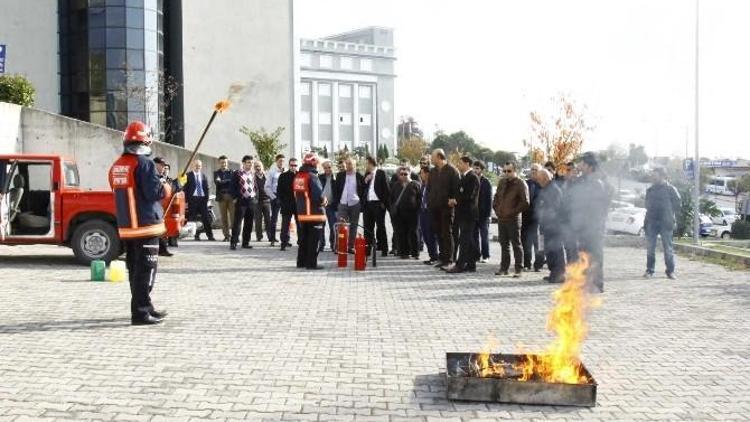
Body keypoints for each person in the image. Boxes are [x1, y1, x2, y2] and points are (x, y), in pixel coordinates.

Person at [108, 121, 170, 325]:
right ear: (146, 140)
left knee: (135, 270)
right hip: (145, 227)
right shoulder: (144, 164)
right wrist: (167, 187)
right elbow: (154, 193)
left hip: (127, 228)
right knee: (146, 270)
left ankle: (146, 306)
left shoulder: (117, 165)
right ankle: (141, 312)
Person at [569, 152, 610, 293]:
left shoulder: (598, 182)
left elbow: (600, 207)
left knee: (595, 256)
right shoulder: (582, 180)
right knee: (583, 255)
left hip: (594, 227)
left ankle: (597, 285)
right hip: (582, 227)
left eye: (582, 163)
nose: (579, 165)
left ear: (589, 166)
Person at [492, 161, 529, 277]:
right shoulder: (502, 182)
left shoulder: (520, 184)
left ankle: (519, 269)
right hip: (501, 218)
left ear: (515, 171)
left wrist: (512, 212)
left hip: (513, 219)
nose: (506, 173)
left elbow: (525, 202)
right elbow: (496, 197)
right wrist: (497, 210)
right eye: (504, 171)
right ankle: (504, 268)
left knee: (516, 244)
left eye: (509, 171)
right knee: (504, 244)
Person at [644, 167, 681, 280]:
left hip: (666, 222)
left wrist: (671, 216)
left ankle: (670, 271)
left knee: (668, 249)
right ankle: (650, 270)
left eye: (655, 175)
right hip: (652, 222)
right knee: (650, 248)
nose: (653, 177)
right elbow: (647, 205)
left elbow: (678, 204)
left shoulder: (671, 189)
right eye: (652, 175)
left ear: (662, 176)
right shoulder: (650, 190)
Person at [446, 156, 480, 274]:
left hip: (469, 214)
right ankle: (472, 263)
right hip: (462, 213)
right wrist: (454, 199)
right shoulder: (463, 177)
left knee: (464, 240)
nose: (458, 165)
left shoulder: (473, 177)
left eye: (460, 163)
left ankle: (460, 265)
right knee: (467, 239)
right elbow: (459, 192)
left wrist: (456, 200)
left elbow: (469, 195)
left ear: (467, 164)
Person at [427, 149, 460, 268]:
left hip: (447, 208)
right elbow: (429, 188)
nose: (431, 159)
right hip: (434, 207)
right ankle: (442, 258)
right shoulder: (433, 171)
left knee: (447, 233)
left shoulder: (452, 170)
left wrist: (453, 199)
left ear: (439, 157)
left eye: (433, 157)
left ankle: (449, 259)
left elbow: (457, 188)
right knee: (438, 232)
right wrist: (429, 201)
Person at [294, 152, 327, 270]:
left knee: (304, 239)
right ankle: (311, 264)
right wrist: (324, 200)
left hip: (303, 214)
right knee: (314, 241)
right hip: (314, 214)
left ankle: (301, 262)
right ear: (314, 163)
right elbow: (318, 196)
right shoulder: (312, 176)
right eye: (317, 163)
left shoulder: (298, 176)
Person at [534, 168, 565, 283]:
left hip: (554, 226)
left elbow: (555, 209)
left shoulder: (554, 190)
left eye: (540, 179)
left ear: (546, 178)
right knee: (548, 250)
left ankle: (559, 274)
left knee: (556, 249)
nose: (538, 182)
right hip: (545, 226)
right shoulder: (545, 189)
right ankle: (553, 272)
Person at [332, 157, 365, 253]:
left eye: (350, 164)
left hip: (355, 203)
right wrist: (337, 202)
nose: (348, 166)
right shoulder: (340, 175)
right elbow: (336, 189)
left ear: (354, 165)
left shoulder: (359, 176)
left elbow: (362, 190)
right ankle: (339, 247)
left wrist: (361, 203)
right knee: (341, 225)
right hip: (342, 203)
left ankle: (350, 247)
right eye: (347, 164)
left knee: (354, 226)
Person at [390, 166, 421, 259]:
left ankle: (415, 253)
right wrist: (392, 209)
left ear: (409, 174)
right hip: (399, 214)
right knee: (401, 233)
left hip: (412, 213)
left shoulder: (415, 184)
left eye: (405, 174)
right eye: (401, 174)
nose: (403, 176)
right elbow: (391, 198)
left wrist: (417, 208)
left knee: (413, 233)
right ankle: (404, 252)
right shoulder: (396, 185)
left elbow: (419, 198)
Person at [363, 156, 390, 257]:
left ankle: (384, 249)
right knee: (367, 228)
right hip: (368, 204)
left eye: (367, 163)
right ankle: (367, 250)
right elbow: (363, 188)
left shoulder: (381, 173)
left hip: (378, 204)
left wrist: (383, 203)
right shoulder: (367, 174)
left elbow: (386, 189)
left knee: (381, 227)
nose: (366, 166)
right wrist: (366, 180)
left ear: (371, 163)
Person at [229, 155, 257, 250]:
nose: (251, 164)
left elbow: (255, 186)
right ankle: (233, 242)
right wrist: (235, 198)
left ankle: (246, 242)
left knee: (249, 223)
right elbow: (232, 187)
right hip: (241, 200)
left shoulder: (253, 174)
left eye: (252, 163)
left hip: (251, 200)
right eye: (249, 162)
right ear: (244, 163)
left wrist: (254, 196)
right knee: (237, 223)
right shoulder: (237, 173)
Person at [184, 159, 215, 241]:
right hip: (192, 200)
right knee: (192, 219)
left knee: (206, 219)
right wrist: (186, 201)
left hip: (202, 200)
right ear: (192, 166)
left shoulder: (204, 176)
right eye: (196, 165)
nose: (198, 167)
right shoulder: (188, 175)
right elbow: (185, 189)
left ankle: (210, 236)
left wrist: (207, 199)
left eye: (199, 166)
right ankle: (195, 235)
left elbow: (207, 188)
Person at [522, 164, 543, 271]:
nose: (534, 171)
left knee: (539, 243)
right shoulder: (525, 183)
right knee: (526, 242)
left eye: (536, 170)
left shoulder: (543, 185)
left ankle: (538, 265)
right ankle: (526, 263)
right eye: (532, 169)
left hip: (539, 219)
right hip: (527, 218)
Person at [473, 160, 493, 264]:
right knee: (474, 235)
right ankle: (476, 255)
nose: (475, 170)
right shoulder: (472, 180)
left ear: (482, 170)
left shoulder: (486, 182)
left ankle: (486, 255)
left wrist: (489, 215)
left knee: (484, 236)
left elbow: (489, 199)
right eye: (474, 168)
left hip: (484, 214)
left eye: (477, 168)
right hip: (474, 213)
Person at [153, 157, 173, 257]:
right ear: (155, 164)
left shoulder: (161, 176)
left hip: (159, 206)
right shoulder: (151, 175)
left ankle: (162, 249)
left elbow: (169, 191)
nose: (163, 168)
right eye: (161, 165)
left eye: (164, 166)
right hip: (153, 206)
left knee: (160, 229)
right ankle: (162, 249)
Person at [418, 167, 439, 265]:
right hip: (422, 212)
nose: (420, 175)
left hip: (430, 212)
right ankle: (431, 256)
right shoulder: (423, 185)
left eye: (422, 173)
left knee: (431, 235)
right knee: (425, 234)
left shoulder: (433, 184)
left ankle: (435, 256)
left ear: (427, 174)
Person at [277, 157, 298, 251]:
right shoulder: (283, 176)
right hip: (286, 203)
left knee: (300, 225)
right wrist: (281, 202)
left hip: (298, 204)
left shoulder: (301, 175)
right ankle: (283, 243)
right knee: (285, 225)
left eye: (295, 165)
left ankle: (301, 242)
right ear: (289, 165)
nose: (293, 167)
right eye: (292, 165)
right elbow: (279, 190)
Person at [264, 154, 285, 247]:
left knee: (286, 218)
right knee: (274, 219)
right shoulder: (272, 172)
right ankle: (272, 238)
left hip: (285, 196)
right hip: (275, 196)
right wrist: (273, 197)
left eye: (283, 161)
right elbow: (267, 187)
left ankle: (285, 239)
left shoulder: (286, 171)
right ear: (276, 161)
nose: (282, 162)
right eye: (280, 160)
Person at [214, 155, 235, 242]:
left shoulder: (232, 172)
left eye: (225, 162)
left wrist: (223, 182)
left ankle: (235, 235)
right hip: (221, 197)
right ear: (219, 163)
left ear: (227, 163)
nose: (224, 164)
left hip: (231, 197)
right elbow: (217, 183)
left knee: (233, 217)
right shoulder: (216, 173)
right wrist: (227, 181)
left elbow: (233, 183)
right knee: (224, 218)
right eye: (222, 162)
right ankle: (226, 235)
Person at [318, 160, 337, 252]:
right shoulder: (320, 177)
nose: (327, 169)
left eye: (329, 167)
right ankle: (321, 244)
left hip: (332, 206)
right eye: (325, 168)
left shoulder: (336, 178)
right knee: (321, 226)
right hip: (322, 205)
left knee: (333, 226)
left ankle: (333, 244)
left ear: (332, 167)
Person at [253, 161, 272, 243]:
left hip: (267, 200)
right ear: (254, 168)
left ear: (262, 167)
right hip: (257, 201)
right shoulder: (252, 177)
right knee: (258, 220)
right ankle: (259, 236)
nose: (258, 168)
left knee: (268, 220)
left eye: (259, 166)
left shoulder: (267, 176)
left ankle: (270, 236)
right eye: (256, 166)